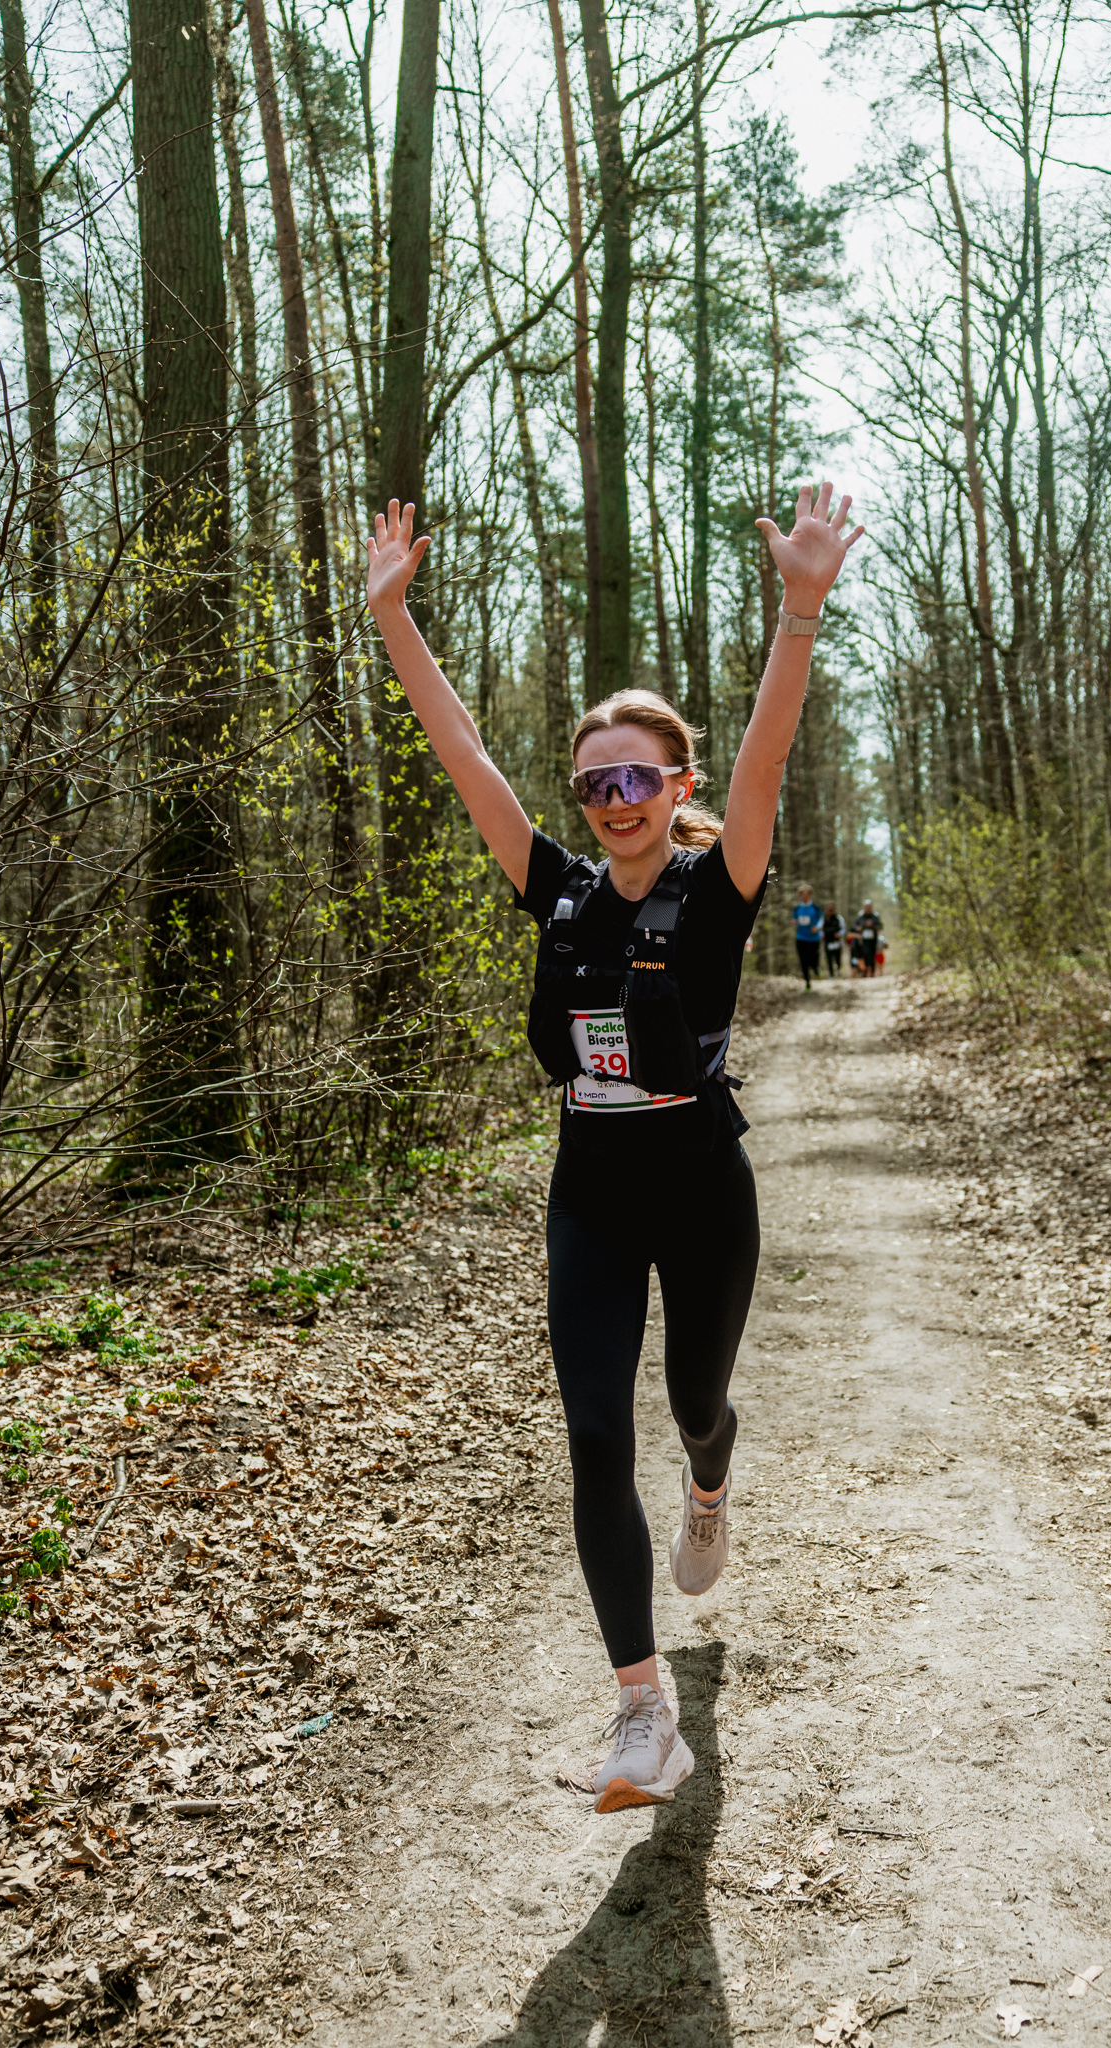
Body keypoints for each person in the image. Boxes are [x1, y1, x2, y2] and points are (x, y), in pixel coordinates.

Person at [366, 481, 863, 1814]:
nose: (614, 799)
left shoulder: (717, 888)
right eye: (595, 782)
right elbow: (464, 754)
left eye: (638, 777)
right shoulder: (560, 893)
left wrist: (798, 613)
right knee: (593, 1431)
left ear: (676, 786)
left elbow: (765, 758)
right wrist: (394, 618)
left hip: (702, 1186)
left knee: (693, 1400)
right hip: (590, 1189)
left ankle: (712, 1473)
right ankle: (643, 1712)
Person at [792, 884, 823, 988]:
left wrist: (817, 928)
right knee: (803, 960)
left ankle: (815, 969)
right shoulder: (797, 909)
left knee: (813, 960)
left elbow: (821, 920)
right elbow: (795, 921)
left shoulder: (815, 908)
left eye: (806, 894)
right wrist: (794, 923)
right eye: (803, 894)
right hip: (801, 938)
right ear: (800, 896)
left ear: (810, 895)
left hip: (813, 938)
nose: (805, 896)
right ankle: (807, 983)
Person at [855, 900, 882, 977]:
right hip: (863, 939)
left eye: (869, 907)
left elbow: (880, 926)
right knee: (865, 954)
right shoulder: (860, 916)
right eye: (866, 907)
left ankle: (872, 971)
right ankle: (865, 969)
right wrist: (860, 928)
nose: (868, 909)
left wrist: (872, 925)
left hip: (873, 939)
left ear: (872, 907)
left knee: (872, 955)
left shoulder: (875, 916)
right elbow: (855, 926)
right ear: (863, 907)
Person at [822, 902, 845, 978]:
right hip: (828, 942)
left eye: (831, 910)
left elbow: (843, 928)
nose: (830, 911)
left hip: (837, 942)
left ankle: (838, 970)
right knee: (829, 958)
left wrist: (839, 934)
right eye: (829, 910)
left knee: (838, 958)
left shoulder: (839, 918)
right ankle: (831, 975)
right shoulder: (823, 919)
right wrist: (821, 934)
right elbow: (818, 928)